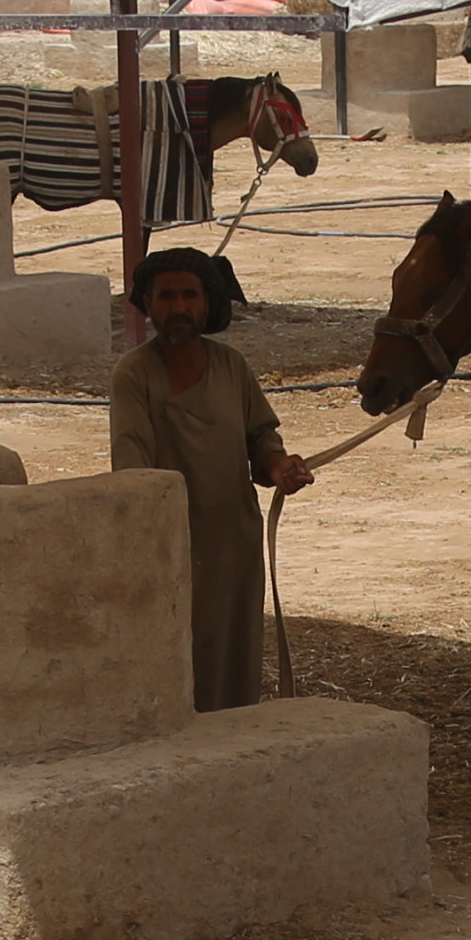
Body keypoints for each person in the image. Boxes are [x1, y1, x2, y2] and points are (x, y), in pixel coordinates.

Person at [108, 245, 313, 711]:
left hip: (233, 545)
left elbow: (259, 436)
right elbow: (131, 467)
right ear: (148, 303)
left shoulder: (231, 366)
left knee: (234, 659)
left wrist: (278, 465)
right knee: (180, 662)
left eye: (189, 296)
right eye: (166, 297)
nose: (178, 308)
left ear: (207, 302)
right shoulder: (134, 375)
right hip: (172, 547)